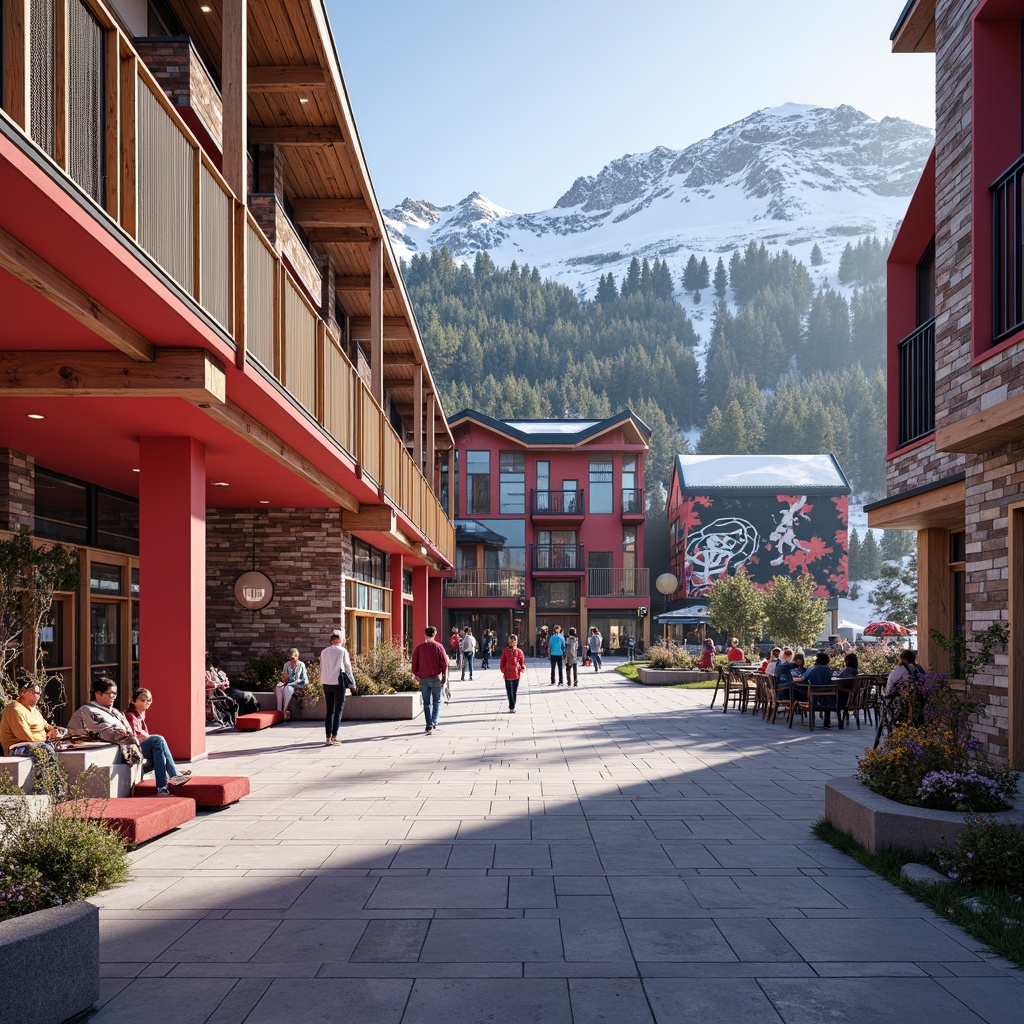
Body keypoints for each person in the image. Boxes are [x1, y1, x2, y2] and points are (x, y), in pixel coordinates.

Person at [0, 679, 66, 794]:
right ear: (23, 693)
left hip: (37, 743)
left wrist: (53, 732)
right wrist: (47, 737)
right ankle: (49, 791)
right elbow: (26, 737)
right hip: (16, 747)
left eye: (39, 693)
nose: (39, 696)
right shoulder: (15, 709)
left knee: (63, 745)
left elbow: (48, 726)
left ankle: (53, 786)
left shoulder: (34, 710)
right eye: (36, 693)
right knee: (46, 749)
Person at [125, 689, 193, 792]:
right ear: (134, 701)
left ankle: (162, 787)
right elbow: (137, 734)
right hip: (134, 748)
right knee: (158, 739)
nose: (147, 703)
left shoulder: (141, 714)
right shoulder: (130, 715)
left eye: (149, 700)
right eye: (143, 700)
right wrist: (151, 737)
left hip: (142, 746)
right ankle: (174, 774)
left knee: (159, 752)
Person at [318, 629, 353, 746]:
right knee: (338, 710)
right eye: (342, 638)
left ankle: (328, 737)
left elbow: (321, 667)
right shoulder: (342, 651)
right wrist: (352, 682)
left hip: (326, 682)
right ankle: (334, 736)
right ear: (338, 639)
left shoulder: (324, 652)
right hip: (338, 682)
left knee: (329, 710)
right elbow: (347, 667)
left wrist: (320, 680)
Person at [412, 625, 449, 734]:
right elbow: (444, 662)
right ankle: (434, 722)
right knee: (436, 701)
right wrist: (444, 676)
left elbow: (414, 663)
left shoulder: (419, 648)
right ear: (435, 634)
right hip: (435, 677)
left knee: (426, 703)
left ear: (425, 635)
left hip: (423, 678)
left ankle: (428, 724)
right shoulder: (439, 647)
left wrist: (416, 673)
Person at [803, 651, 839, 728]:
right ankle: (827, 721)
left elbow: (804, 678)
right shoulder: (829, 670)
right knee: (828, 696)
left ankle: (812, 721)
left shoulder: (812, 669)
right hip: (829, 696)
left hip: (814, 695)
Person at [276, 649, 308, 720]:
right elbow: (284, 677)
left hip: (297, 684)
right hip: (288, 684)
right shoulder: (286, 664)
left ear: (297, 656)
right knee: (278, 687)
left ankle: (284, 710)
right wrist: (284, 680)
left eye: (292, 658)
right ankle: (278, 711)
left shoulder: (301, 664)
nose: (291, 659)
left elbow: (304, 679)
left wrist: (291, 684)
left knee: (288, 688)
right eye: (290, 657)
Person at [500, 633, 526, 713]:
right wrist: (503, 669)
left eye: (513, 641)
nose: (512, 643)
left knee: (514, 691)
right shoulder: (505, 651)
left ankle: (513, 705)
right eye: (511, 641)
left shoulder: (519, 651)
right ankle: (511, 705)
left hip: (516, 673)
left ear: (516, 642)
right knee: (509, 691)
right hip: (508, 673)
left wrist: (522, 667)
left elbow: (522, 662)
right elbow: (502, 662)